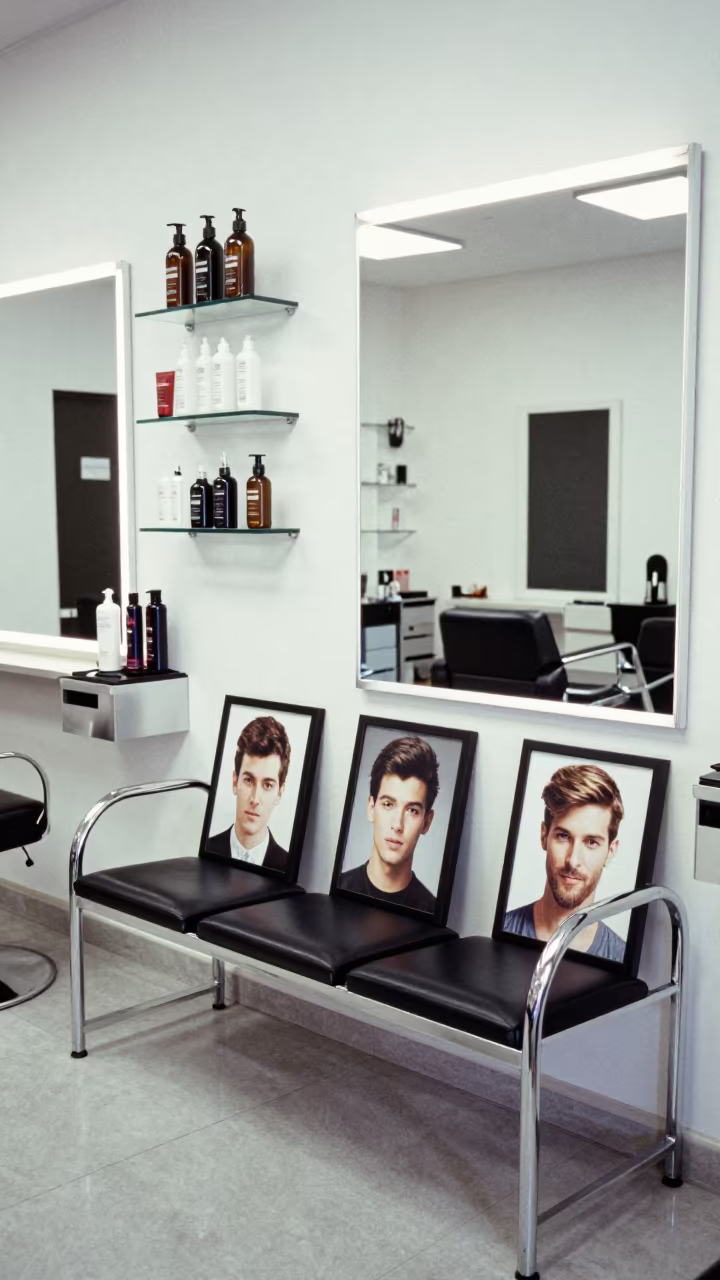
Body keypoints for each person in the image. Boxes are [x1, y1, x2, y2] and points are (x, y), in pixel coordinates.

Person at [503, 763, 626, 962]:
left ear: (610, 851)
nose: (573, 860)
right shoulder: (504, 929)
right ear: (544, 836)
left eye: (591, 842)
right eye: (563, 836)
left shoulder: (620, 956)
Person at [339, 735, 439, 912]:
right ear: (371, 808)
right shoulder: (339, 888)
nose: (397, 825)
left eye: (412, 810)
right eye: (388, 804)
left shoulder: (431, 910)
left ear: (427, 822)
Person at [205, 715, 291, 872]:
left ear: (280, 793)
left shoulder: (287, 864)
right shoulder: (208, 850)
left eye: (267, 785)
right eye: (249, 780)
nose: (255, 799)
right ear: (234, 782)